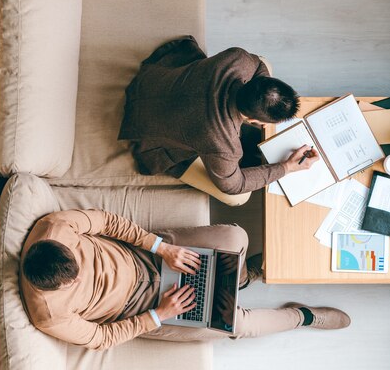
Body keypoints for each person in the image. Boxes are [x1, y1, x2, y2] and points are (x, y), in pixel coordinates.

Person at [19, 209, 350, 351]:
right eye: (75, 283)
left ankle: (241, 276)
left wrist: (162, 249)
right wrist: (158, 315)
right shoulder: (49, 314)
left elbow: (108, 223)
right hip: (144, 308)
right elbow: (102, 338)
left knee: (236, 237)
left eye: (80, 265)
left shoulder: (57, 226)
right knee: (233, 323)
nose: (83, 277)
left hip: (146, 256)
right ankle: (302, 316)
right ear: (53, 289)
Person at [118, 35, 320, 206]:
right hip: (146, 132)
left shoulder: (237, 58)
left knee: (265, 61)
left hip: (153, 82)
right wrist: (286, 168)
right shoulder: (223, 146)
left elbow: (258, 64)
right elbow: (234, 185)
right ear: (251, 119)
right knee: (239, 198)